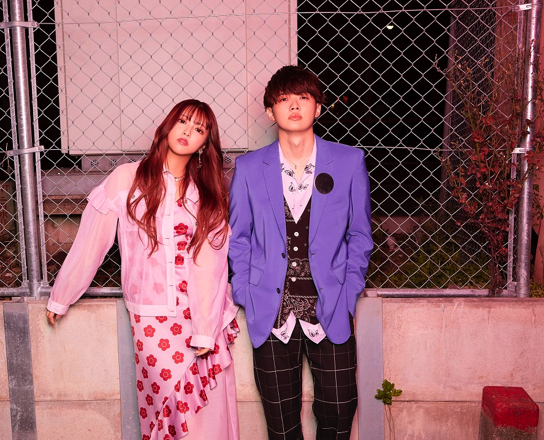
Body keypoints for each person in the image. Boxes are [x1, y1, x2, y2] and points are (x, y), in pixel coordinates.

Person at [46, 99, 240, 440]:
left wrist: (205, 328)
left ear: (204, 144)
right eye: (182, 121)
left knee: (207, 414)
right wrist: (62, 295)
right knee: (167, 410)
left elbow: (211, 264)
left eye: (198, 129)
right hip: (151, 318)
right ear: (167, 126)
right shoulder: (127, 178)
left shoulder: (206, 191)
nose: (187, 131)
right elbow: (92, 241)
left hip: (201, 314)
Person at [228, 65, 373, 440]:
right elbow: (238, 236)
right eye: (283, 99)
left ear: (318, 107)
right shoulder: (248, 168)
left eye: (303, 98)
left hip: (331, 307)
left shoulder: (349, 161)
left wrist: (348, 291)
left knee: (339, 412)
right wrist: (245, 292)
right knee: (281, 424)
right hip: (270, 310)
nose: (294, 106)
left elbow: (360, 234)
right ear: (270, 111)